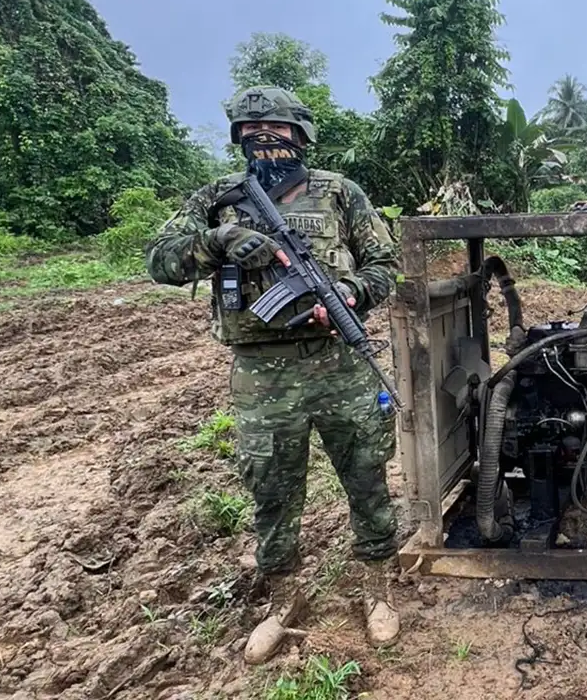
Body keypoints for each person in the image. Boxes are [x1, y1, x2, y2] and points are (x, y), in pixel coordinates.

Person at [144, 86, 403, 663]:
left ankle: (378, 588)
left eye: (278, 127)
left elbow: (386, 265)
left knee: (367, 477)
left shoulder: (340, 193)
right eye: (252, 128)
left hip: (339, 365)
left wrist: (351, 292)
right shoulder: (217, 198)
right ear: (238, 136)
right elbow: (159, 259)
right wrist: (218, 241)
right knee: (272, 489)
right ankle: (283, 600)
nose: (265, 137)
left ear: (301, 134)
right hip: (262, 376)